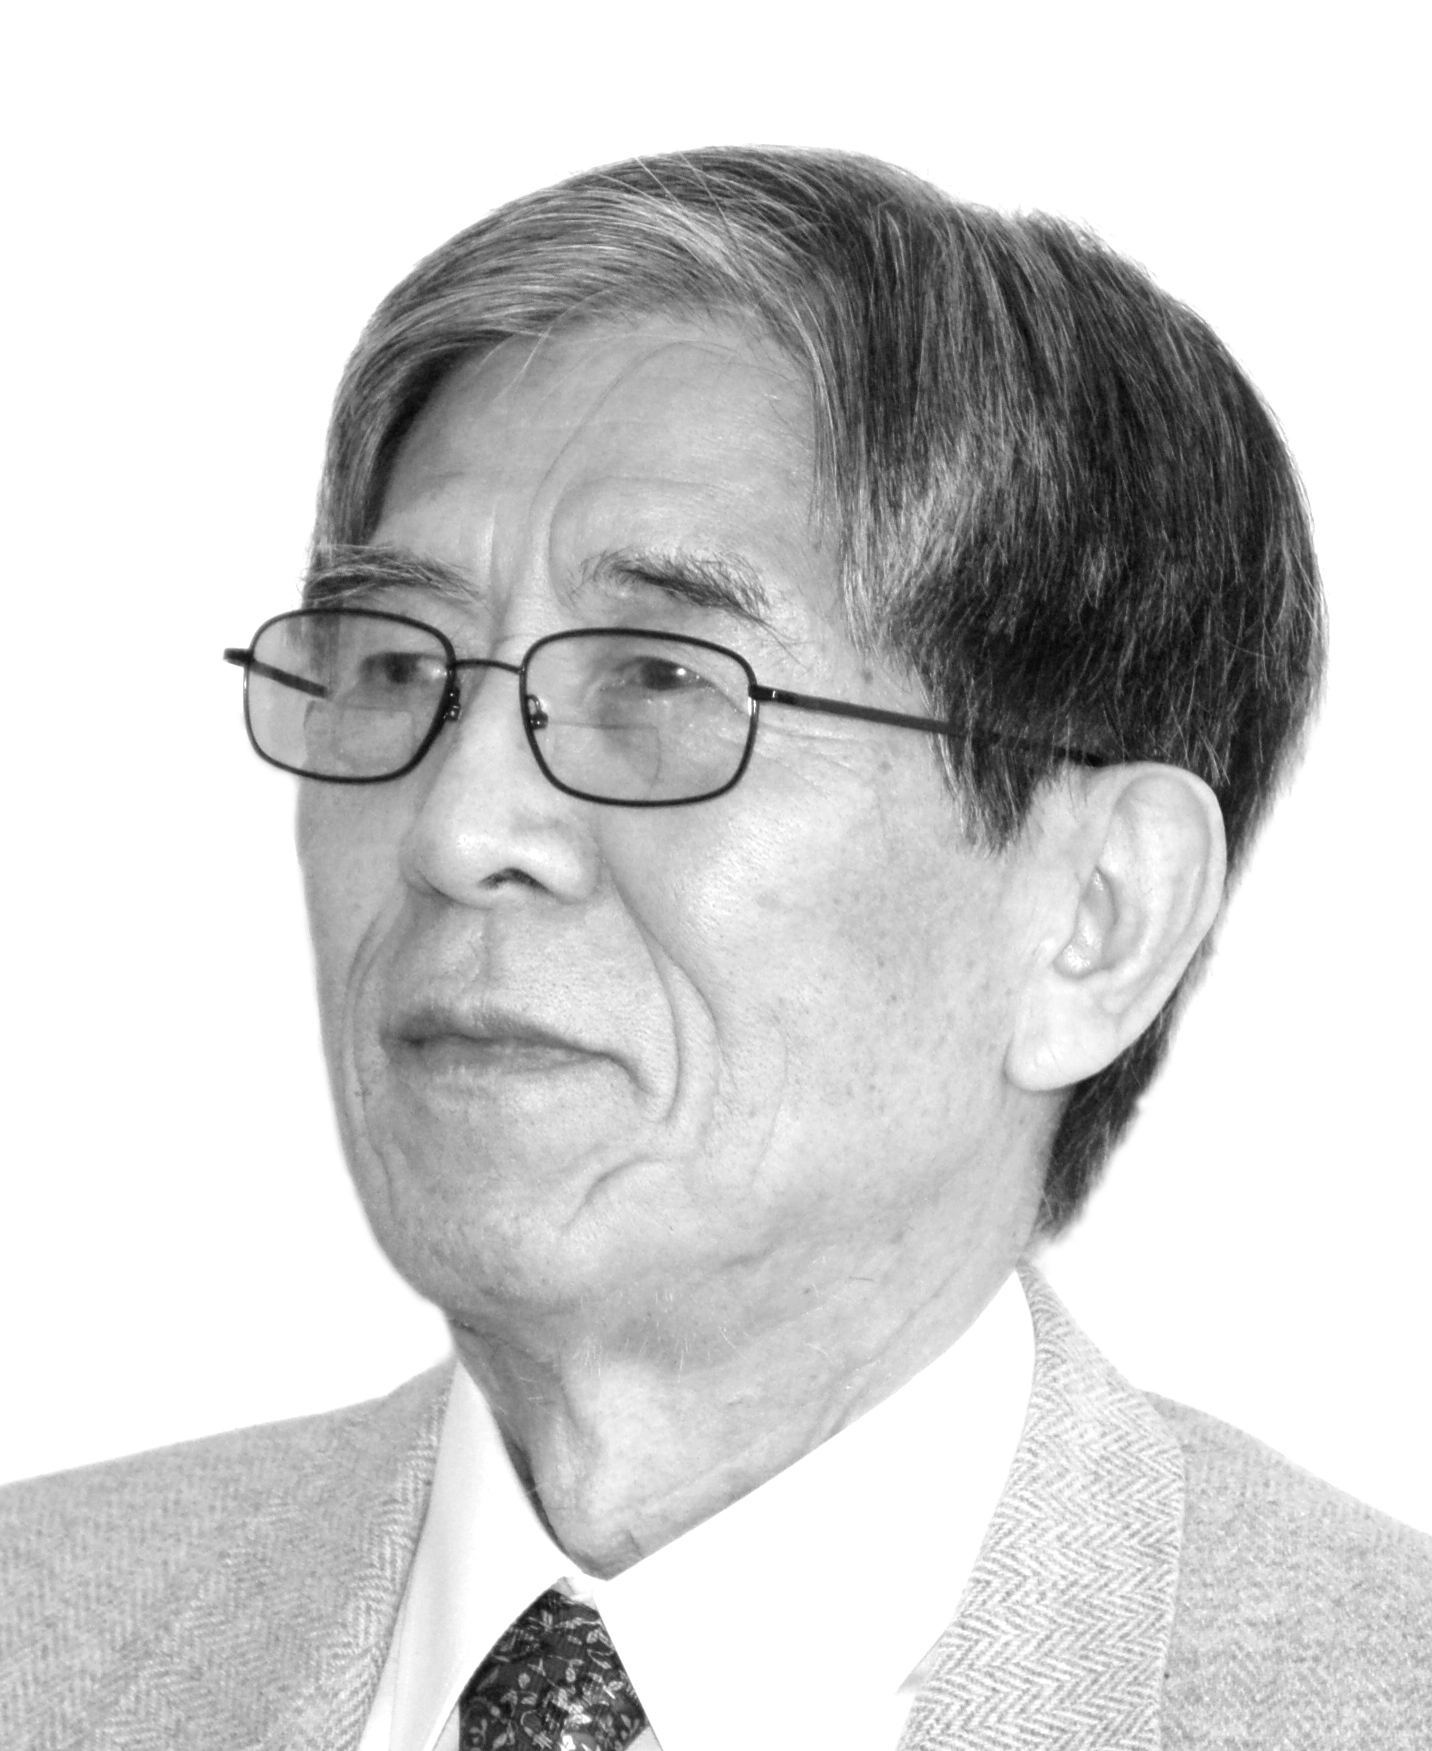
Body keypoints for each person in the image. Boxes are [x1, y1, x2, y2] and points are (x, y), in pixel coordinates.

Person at [3, 145, 1427, 1750]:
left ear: (1096, 917)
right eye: (400, 669)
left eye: (665, 683)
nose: (457, 829)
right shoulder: (41, 1634)